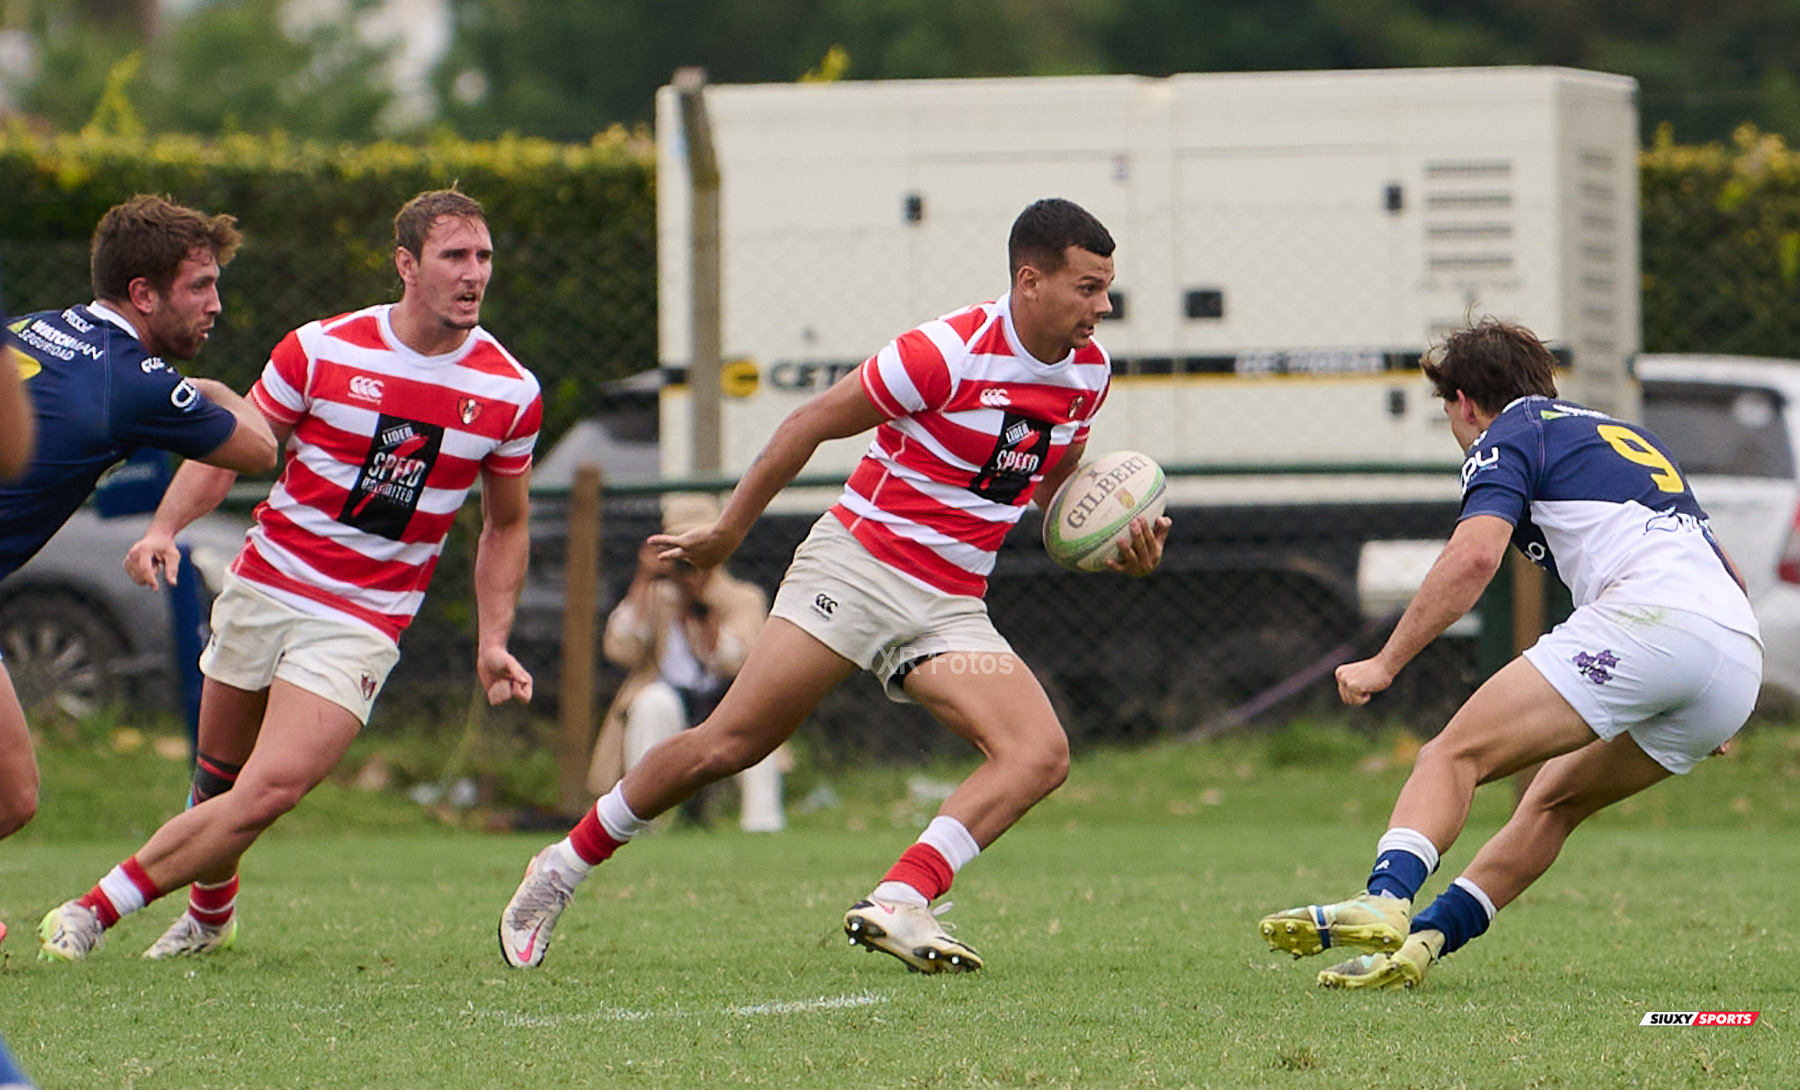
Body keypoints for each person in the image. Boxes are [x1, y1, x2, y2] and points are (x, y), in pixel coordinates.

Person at [498, 197, 1169, 973]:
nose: (1103, 306)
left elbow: (1046, 486)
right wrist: (727, 533)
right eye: (1088, 287)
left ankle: (900, 899)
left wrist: (1111, 541)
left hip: (948, 607)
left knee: (1039, 754)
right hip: (857, 570)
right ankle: (562, 867)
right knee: (732, 743)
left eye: (1106, 287)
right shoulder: (942, 353)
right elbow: (808, 423)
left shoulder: (1090, 373)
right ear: (1030, 280)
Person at [37, 189, 543, 962]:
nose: (474, 274)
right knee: (216, 784)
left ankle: (91, 912)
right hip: (266, 583)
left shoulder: (509, 391)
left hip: (363, 621)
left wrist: (495, 639)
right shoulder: (320, 349)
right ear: (406, 264)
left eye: (483, 258)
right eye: (454, 257)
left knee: (267, 792)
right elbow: (230, 445)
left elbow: (506, 525)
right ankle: (211, 915)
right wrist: (164, 529)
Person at [1257, 319, 1762, 989]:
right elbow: (1725, 568)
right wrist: (1708, 688)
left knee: (1451, 755)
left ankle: (1384, 900)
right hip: (1732, 653)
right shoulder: (1626, 437)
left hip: (1650, 622)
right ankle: (1422, 945)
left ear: (1464, 402)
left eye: (1448, 412)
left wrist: (1386, 662)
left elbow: (1473, 557)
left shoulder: (1509, 435)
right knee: (1554, 804)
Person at [0, 197, 278, 870]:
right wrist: (208, 389)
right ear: (143, 294)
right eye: (200, 287)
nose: (215, 305)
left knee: (13, 796)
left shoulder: (32, 327)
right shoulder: (132, 382)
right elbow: (260, 450)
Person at [585, 492, 786, 833]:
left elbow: (736, 662)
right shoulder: (654, 594)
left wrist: (701, 604)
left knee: (758, 716)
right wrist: (644, 579)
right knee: (651, 704)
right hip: (669, 696)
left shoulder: (741, 597)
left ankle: (762, 826)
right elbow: (620, 649)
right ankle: (645, 823)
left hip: (723, 698)